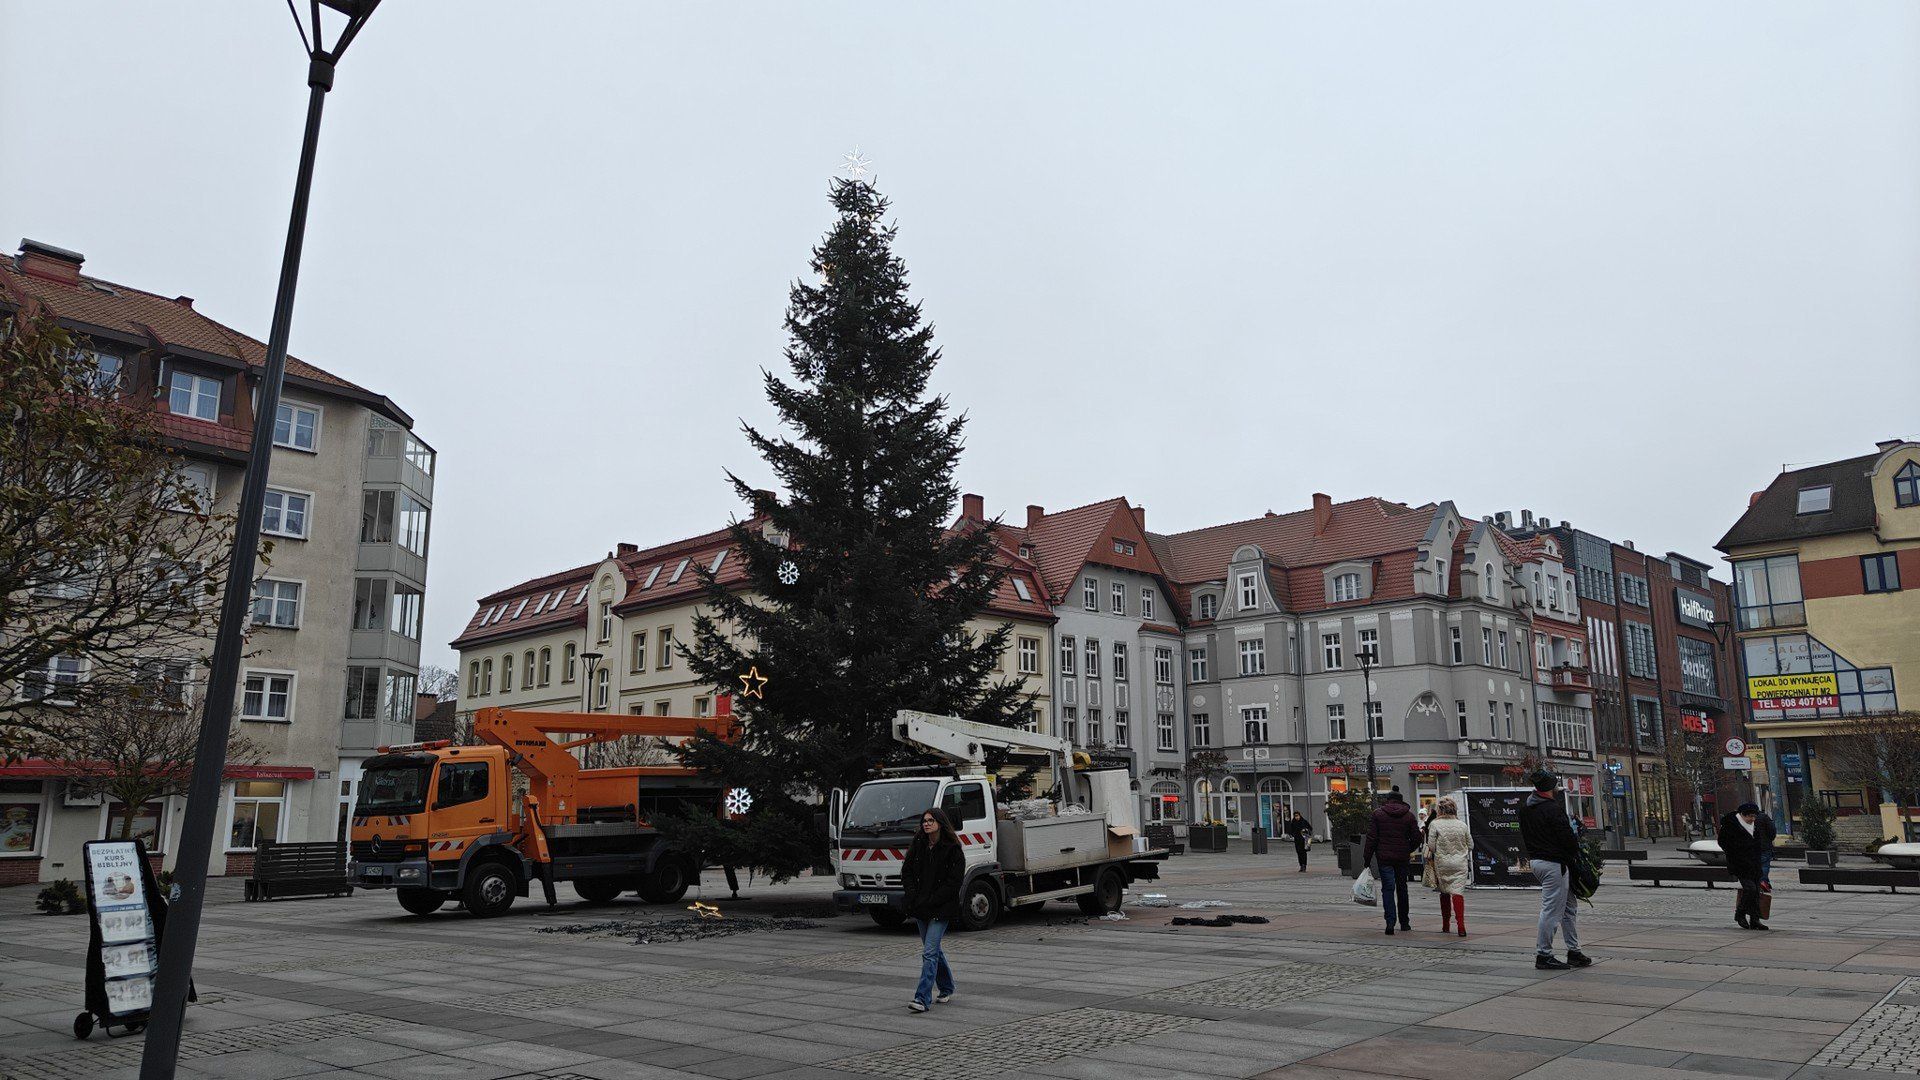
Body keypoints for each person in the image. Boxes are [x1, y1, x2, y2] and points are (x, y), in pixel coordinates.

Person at [1518, 770, 1592, 970]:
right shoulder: (1552, 808)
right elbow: (1567, 838)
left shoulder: (1525, 808)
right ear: (1551, 789)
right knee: (1551, 909)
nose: (1558, 789)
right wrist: (1575, 852)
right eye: (1556, 786)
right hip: (1554, 864)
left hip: (1538, 861)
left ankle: (1574, 951)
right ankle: (1544, 954)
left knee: (1568, 906)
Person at [900, 807, 965, 1012]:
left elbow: (954, 882)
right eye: (924, 821)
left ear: (940, 822)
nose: (926, 824)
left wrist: (933, 900)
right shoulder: (918, 845)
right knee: (933, 950)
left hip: (941, 908)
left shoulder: (952, 848)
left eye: (931, 820)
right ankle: (946, 987)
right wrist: (912, 896)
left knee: (929, 952)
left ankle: (922, 999)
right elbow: (907, 872)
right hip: (921, 907)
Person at [1361, 789, 1422, 935]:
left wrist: (1367, 859)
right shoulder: (1409, 816)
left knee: (1388, 888)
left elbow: (1371, 838)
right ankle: (1405, 922)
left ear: (1388, 800)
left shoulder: (1378, 814)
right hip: (1402, 858)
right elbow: (1417, 838)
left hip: (1384, 858)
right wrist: (1408, 849)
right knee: (1402, 888)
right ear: (1401, 801)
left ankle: (1390, 921)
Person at [1424, 798, 1472, 936]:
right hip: (1460, 864)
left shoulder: (1435, 824)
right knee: (1458, 893)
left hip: (1442, 863)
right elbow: (1471, 845)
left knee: (1444, 892)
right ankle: (1461, 927)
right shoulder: (1462, 825)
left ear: (1440, 810)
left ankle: (1445, 925)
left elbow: (1431, 846)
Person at [1719, 802, 1769, 931]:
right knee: (1750, 889)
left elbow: (1758, 844)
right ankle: (1740, 913)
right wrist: (1735, 853)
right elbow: (1723, 842)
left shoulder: (1754, 826)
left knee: (1756, 891)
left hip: (1754, 864)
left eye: (1754, 816)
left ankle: (1755, 919)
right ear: (1742, 815)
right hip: (1739, 864)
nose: (1752, 819)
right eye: (1749, 816)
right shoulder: (1731, 825)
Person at [1754, 806, 1778, 890]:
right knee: (1764, 864)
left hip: (1751, 846)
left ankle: (1764, 882)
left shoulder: (1744, 819)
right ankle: (1763, 881)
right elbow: (1772, 830)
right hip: (1764, 845)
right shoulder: (1763, 817)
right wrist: (1769, 839)